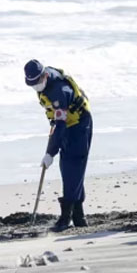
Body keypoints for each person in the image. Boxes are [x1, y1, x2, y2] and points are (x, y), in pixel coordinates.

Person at [25, 59, 93, 231]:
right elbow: (57, 122)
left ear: (45, 76)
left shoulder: (58, 92)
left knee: (73, 165)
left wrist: (50, 153)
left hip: (79, 125)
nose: (36, 87)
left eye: (37, 83)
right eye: (32, 85)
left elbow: (61, 125)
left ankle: (66, 217)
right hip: (64, 123)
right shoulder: (44, 83)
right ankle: (79, 216)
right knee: (68, 168)